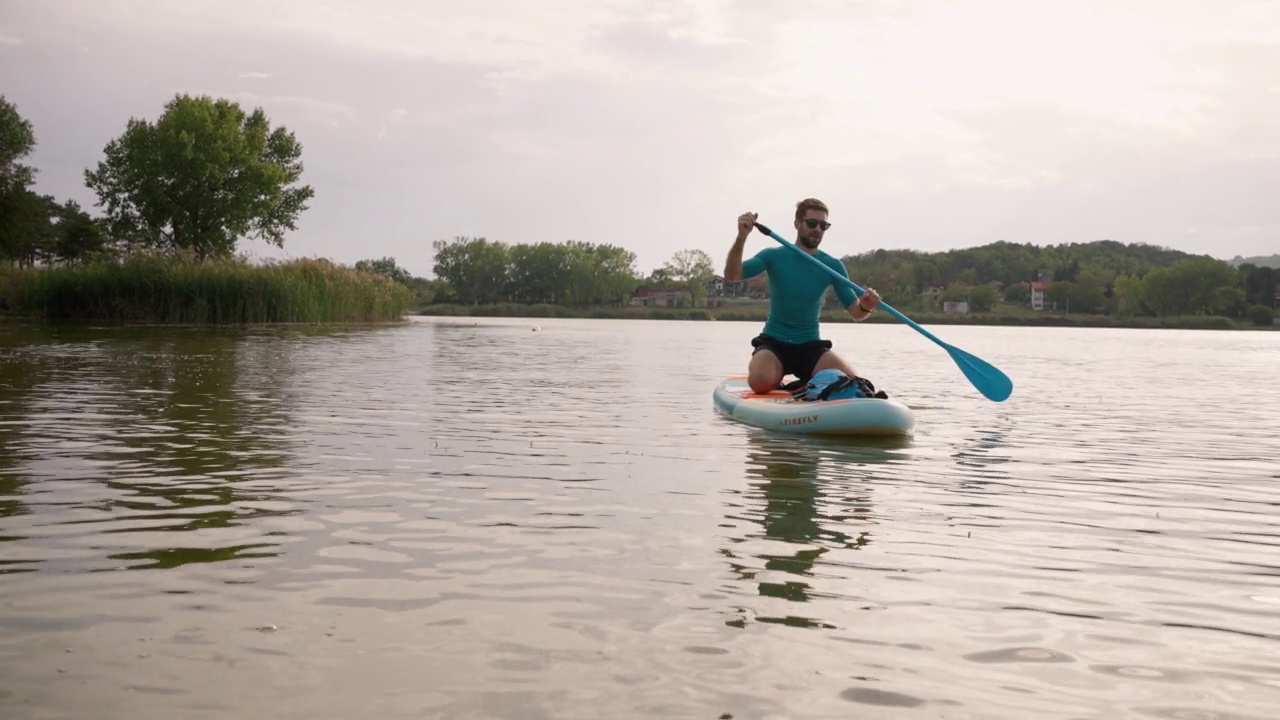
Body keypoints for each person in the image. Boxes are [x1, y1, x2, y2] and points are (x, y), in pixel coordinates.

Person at [723, 198, 881, 395]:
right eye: (812, 223)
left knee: (854, 384)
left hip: (810, 347)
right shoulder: (773, 256)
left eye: (823, 226)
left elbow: (856, 313)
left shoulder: (832, 265)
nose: (817, 230)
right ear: (797, 224)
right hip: (774, 344)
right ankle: (786, 382)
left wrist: (866, 305)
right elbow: (732, 276)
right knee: (760, 383)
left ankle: (802, 387)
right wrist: (742, 237)